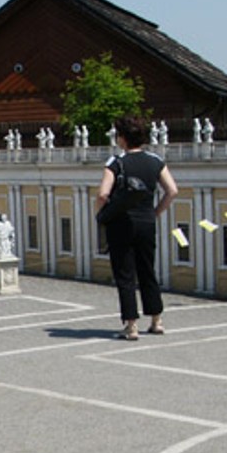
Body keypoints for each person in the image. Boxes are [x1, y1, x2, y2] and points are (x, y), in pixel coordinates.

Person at [94, 116, 178, 339]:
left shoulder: (116, 162)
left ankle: (131, 325)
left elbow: (103, 193)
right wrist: (155, 212)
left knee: (125, 275)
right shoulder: (155, 160)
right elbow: (172, 191)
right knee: (147, 270)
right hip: (146, 223)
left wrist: (100, 213)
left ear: (122, 138)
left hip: (121, 224)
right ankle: (156, 320)